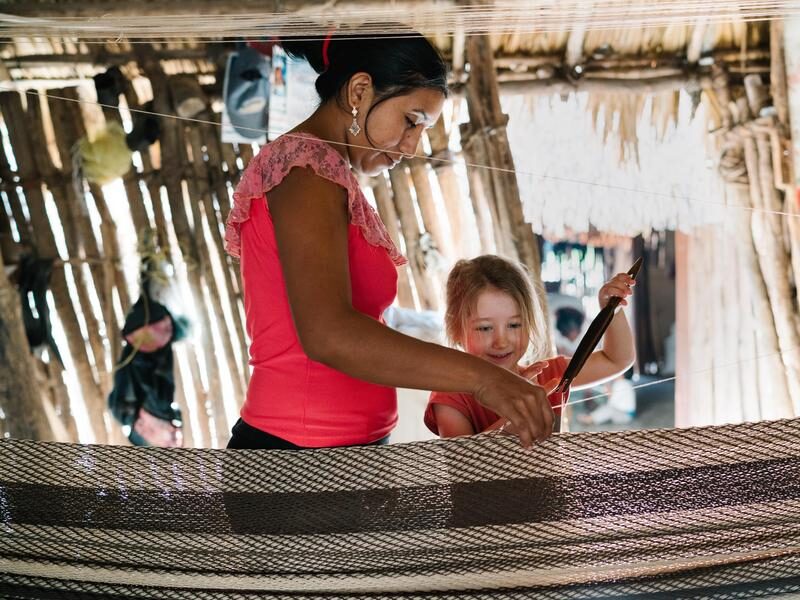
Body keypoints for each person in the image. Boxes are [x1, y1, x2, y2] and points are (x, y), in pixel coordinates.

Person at [224, 31, 554, 450]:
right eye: (411, 120)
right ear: (360, 90)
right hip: (295, 460)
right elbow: (329, 334)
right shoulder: (303, 170)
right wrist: (484, 378)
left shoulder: (327, 174)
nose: (413, 146)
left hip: (334, 454)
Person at [424, 255, 636, 438]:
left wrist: (611, 310)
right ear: (456, 330)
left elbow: (616, 360)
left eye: (514, 325)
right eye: (485, 328)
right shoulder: (451, 396)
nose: (501, 341)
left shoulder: (549, 377)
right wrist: (515, 416)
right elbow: (463, 467)